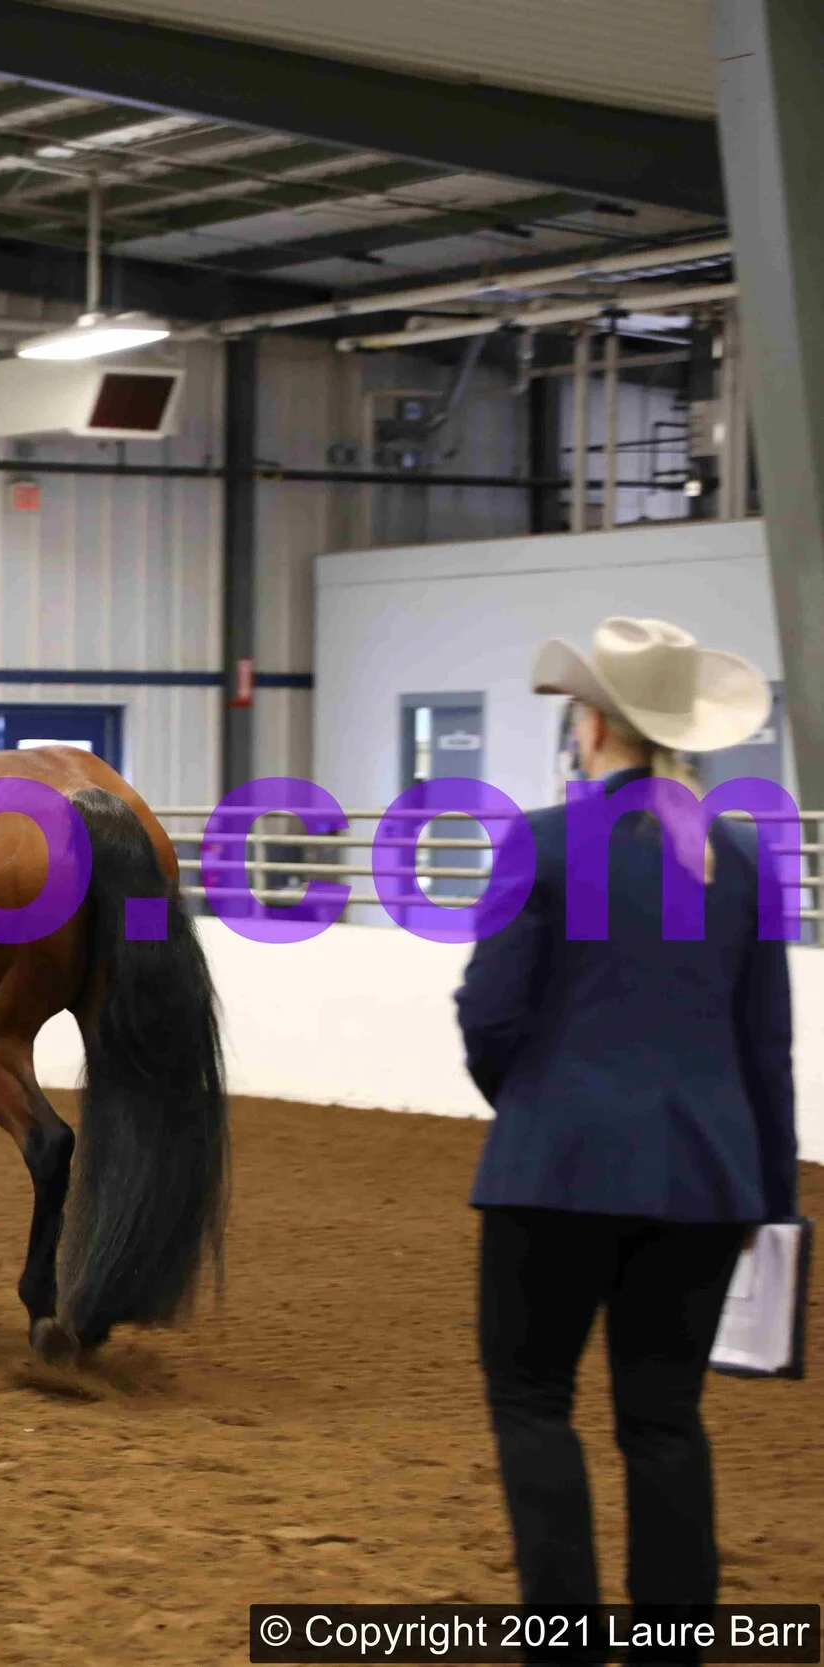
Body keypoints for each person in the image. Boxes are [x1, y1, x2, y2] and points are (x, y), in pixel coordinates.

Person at [455, 617, 799, 1640]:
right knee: (663, 1418)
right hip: (704, 1178)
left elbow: (489, 1016)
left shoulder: (543, 840)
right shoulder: (743, 859)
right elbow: (766, 1046)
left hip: (554, 1167)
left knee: (533, 1401)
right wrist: (769, 1196)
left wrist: (534, 1105)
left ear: (595, 725)